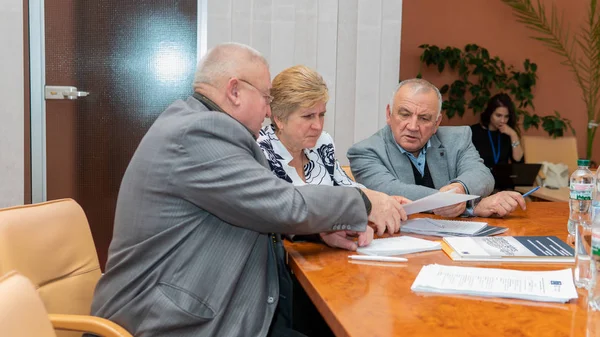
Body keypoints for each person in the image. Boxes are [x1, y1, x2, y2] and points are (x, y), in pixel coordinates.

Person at [89, 43, 406, 337]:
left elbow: (250, 208)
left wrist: (317, 232)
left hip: (206, 303)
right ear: (235, 90)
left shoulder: (198, 121)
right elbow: (282, 204)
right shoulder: (201, 132)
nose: (270, 111)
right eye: (267, 98)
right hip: (171, 322)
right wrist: (363, 200)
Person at [257, 65, 408, 251]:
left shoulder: (322, 143)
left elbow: (344, 186)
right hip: (287, 258)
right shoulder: (260, 151)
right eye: (308, 116)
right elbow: (282, 213)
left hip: (328, 254)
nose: (318, 126)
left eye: (321, 115)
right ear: (279, 118)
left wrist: (382, 201)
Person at [348, 78, 527, 218]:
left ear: (437, 123)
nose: (412, 126)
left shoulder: (458, 138)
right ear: (389, 114)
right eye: (405, 114)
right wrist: (470, 206)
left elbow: (482, 174)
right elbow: (393, 192)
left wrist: (460, 188)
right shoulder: (365, 151)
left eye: (424, 118)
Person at [470, 93, 524, 168]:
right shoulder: (474, 132)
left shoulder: (508, 133)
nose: (503, 120)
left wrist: (513, 135)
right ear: (490, 113)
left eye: (506, 116)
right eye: (498, 115)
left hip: (502, 177)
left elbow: (519, 162)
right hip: (481, 177)